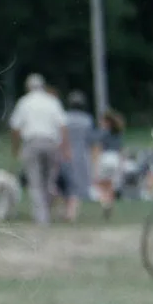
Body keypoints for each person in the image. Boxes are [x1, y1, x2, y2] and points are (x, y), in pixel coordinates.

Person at [9, 73, 68, 226]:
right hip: (51, 143)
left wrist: (15, 148)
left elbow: (15, 127)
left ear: (28, 87)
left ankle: (41, 217)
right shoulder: (52, 101)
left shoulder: (24, 102)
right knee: (49, 180)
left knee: (35, 181)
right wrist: (65, 147)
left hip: (32, 142)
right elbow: (62, 125)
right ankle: (47, 211)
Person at [61, 90, 94, 222]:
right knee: (78, 184)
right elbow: (90, 139)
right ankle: (72, 212)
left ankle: (68, 211)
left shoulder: (64, 118)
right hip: (81, 154)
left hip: (65, 154)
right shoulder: (87, 120)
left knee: (67, 184)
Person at [93, 108, 125, 220]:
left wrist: (95, 164)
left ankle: (105, 203)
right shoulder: (118, 133)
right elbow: (121, 150)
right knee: (110, 185)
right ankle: (110, 203)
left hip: (105, 158)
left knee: (100, 184)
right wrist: (121, 165)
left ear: (107, 122)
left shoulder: (102, 133)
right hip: (115, 159)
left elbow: (98, 148)